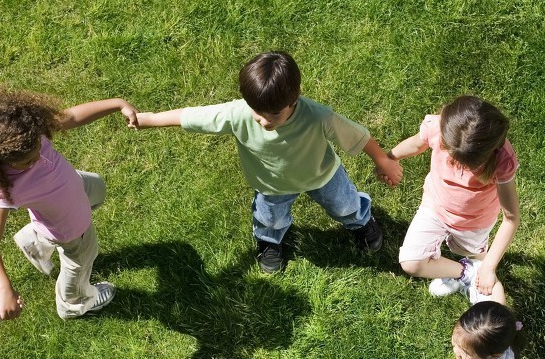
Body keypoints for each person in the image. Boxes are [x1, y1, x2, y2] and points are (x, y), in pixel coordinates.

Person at [133, 51, 403, 273]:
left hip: (322, 175)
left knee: (345, 204)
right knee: (269, 219)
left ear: (294, 99)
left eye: (273, 113)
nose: (263, 120)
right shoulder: (237, 114)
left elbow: (357, 136)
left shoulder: (318, 117)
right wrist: (150, 119)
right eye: (257, 112)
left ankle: (360, 221)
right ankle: (269, 242)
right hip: (271, 185)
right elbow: (193, 116)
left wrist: (382, 160)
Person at [0, 85, 138, 320]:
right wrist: (5, 289)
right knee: (81, 262)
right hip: (73, 231)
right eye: (28, 161)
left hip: (75, 186)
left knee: (97, 189)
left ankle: (35, 243)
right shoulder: (7, 188)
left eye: (39, 148)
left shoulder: (29, 132)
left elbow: (72, 117)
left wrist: (117, 103)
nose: (39, 158)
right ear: (2, 160)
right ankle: (74, 303)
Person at [386, 96, 519, 303]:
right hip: (435, 207)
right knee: (411, 262)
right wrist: (389, 158)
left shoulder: (502, 159)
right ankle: (466, 273)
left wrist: (489, 267)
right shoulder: (438, 128)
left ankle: (477, 266)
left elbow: (511, 219)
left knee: (470, 253)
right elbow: (415, 144)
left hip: (474, 223)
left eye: (464, 165)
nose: (455, 166)